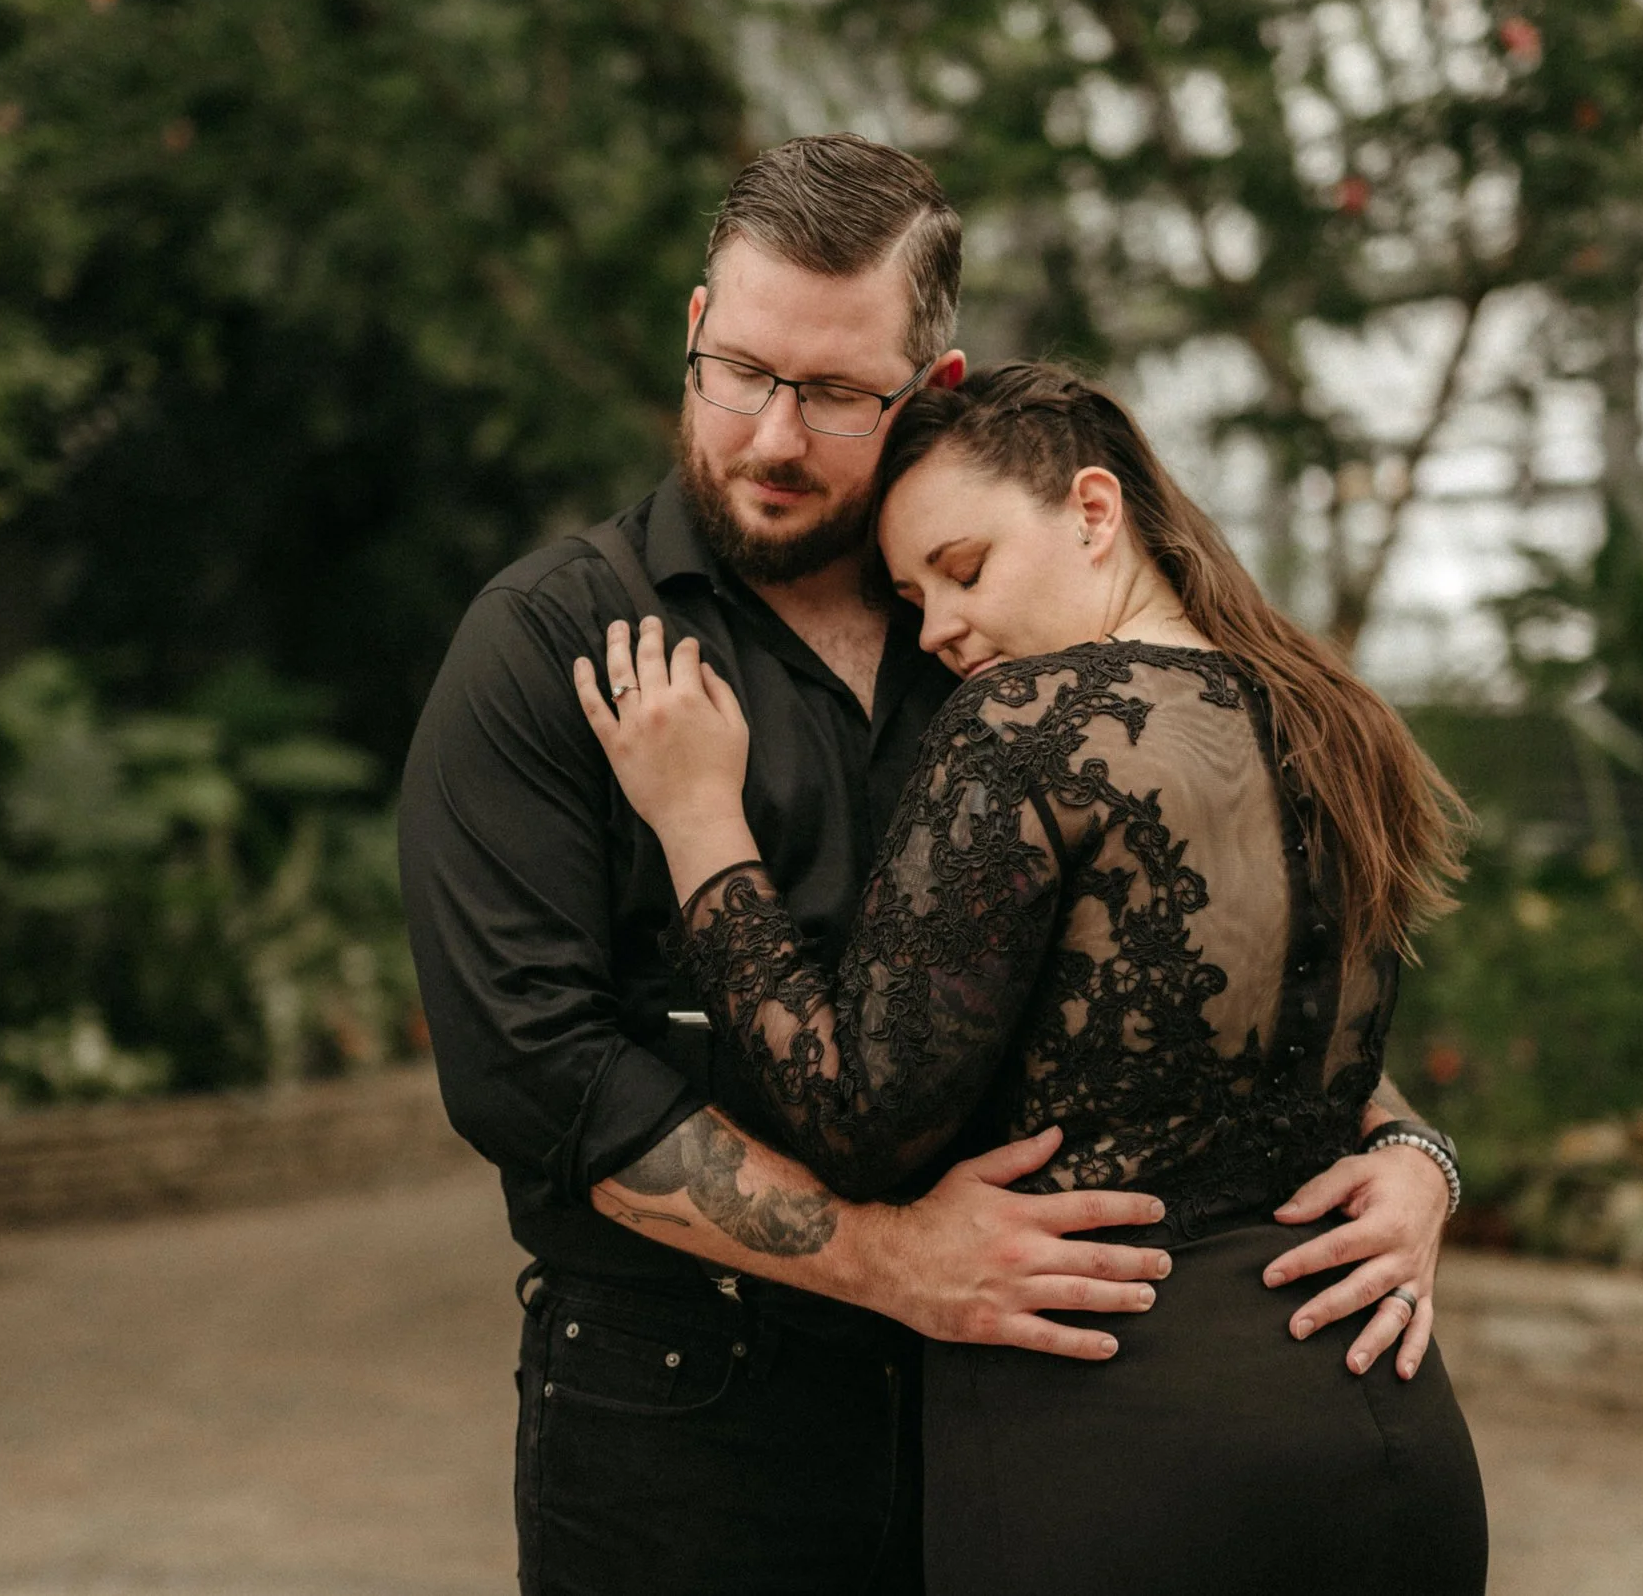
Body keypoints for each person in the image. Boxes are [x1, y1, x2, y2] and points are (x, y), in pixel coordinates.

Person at [399, 135, 1466, 1596]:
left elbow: (1180, 947)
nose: (773, 436)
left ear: (931, 388)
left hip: (1021, 1420)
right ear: (696, 329)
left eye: (837, 395)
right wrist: (894, 1261)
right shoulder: (546, 644)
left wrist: (1407, 1151)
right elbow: (535, 1073)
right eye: (743, 372)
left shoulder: (1006, 636)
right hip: (687, 1419)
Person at [575, 360, 1488, 1595]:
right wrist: (1424, 1159)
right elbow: (1286, 1055)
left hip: (1117, 1451)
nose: (939, 626)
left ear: (1095, 513)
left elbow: (857, 1117)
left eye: (964, 567)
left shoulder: (1025, 723)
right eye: (909, 597)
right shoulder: (1333, 718)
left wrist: (698, 827)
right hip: (1383, 1423)